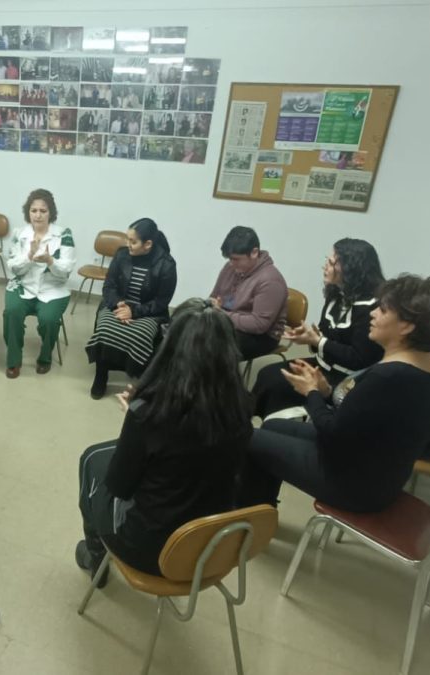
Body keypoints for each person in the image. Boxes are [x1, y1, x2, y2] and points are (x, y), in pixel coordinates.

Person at [234, 275, 430, 513]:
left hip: (354, 484)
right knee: (273, 426)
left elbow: (331, 430)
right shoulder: (426, 364)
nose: (372, 314)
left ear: (406, 326)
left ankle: (246, 516)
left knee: (247, 439)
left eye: (382, 310)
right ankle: (258, 509)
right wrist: (326, 391)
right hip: (372, 466)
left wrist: (312, 393)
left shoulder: (390, 377)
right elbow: (361, 415)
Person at [76, 299, 253, 582]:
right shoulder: (242, 406)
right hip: (211, 546)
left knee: (91, 462)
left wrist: (136, 414)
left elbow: (121, 485)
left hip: (148, 551)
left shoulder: (148, 415)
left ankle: (96, 553)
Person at [253, 239, 385, 419]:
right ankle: (262, 425)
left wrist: (318, 341)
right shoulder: (336, 295)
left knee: (279, 384)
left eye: (331, 263)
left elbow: (358, 358)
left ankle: (278, 428)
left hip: (345, 379)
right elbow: (323, 340)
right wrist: (308, 338)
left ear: (351, 270)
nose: (325, 266)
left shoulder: (370, 308)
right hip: (322, 365)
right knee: (267, 373)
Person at [85, 218, 177, 399]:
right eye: (127, 239)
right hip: (118, 306)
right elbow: (109, 286)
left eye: (133, 241)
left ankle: (137, 378)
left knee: (140, 336)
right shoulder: (121, 255)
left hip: (149, 313)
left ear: (148, 244)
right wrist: (118, 303)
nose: (128, 244)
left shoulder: (166, 264)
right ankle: (101, 375)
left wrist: (134, 311)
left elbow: (161, 302)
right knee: (105, 330)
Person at [3, 189, 75, 378]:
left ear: (51, 212)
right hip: (22, 286)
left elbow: (66, 272)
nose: (38, 215)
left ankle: (45, 358)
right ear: (28, 212)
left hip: (53, 289)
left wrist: (50, 261)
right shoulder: (20, 234)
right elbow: (13, 268)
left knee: (49, 320)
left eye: (43, 211)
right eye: (34, 210)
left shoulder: (64, 235)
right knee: (12, 312)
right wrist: (29, 257)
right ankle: (13, 361)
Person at [209, 226, 288, 361]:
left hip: (261, 337)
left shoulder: (270, 280)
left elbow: (259, 324)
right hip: (229, 322)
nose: (231, 264)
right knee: (189, 332)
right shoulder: (230, 268)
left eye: (236, 259)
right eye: (230, 259)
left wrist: (222, 315)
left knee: (210, 346)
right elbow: (214, 297)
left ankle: (218, 381)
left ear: (254, 253)